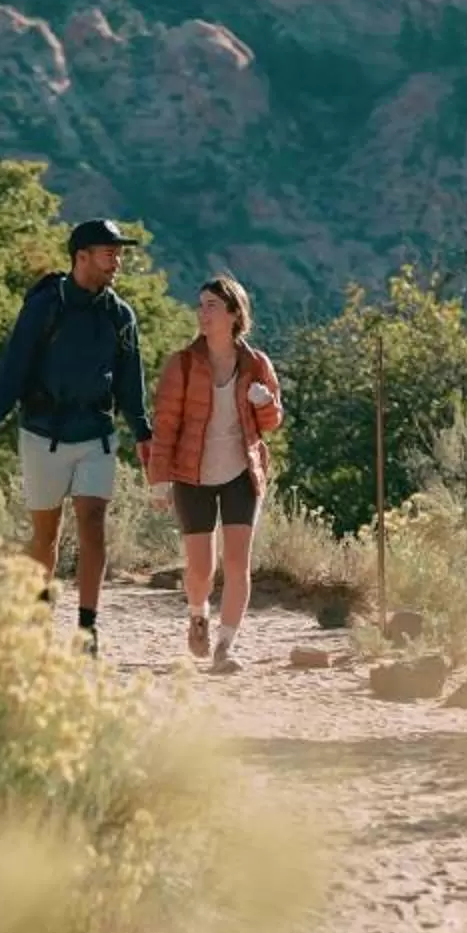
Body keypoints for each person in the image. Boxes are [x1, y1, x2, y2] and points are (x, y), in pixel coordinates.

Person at [0, 218, 152, 656]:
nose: (117, 261)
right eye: (109, 252)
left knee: (92, 525)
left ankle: (87, 630)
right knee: (45, 536)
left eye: (119, 253)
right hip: (42, 435)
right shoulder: (45, 306)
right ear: (81, 256)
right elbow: (11, 372)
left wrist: (144, 433)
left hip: (96, 436)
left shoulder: (120, 316)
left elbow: (130, 383)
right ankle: (38, 618)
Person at [144, 274, 284, 673]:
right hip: (192, 475)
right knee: (201, 568)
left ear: (234, 314)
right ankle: (197, 616)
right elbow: (166, 424)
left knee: (238, 564)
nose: (202, 313)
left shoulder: (256, 363)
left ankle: (225, 646)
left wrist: (264, 402)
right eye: (200, 305)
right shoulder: (183, 364)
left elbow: (272, 422)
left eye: (212, 306)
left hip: (242, 473)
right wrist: (158, 479)